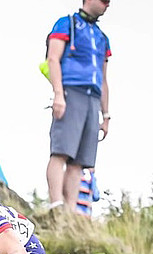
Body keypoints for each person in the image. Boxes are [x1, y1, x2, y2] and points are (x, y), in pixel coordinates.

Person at [44, 0, 112, 213]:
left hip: (93, 97)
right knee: (61, 151)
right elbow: (53, 59)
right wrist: (58, 94)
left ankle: (71, 210)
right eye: (104, 1)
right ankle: (56, 204)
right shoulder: (67, 24)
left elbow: (103, 78)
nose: (107, 5)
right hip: (71, 91)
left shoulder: (102, 37)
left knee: (80, 161)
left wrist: (106, 114)